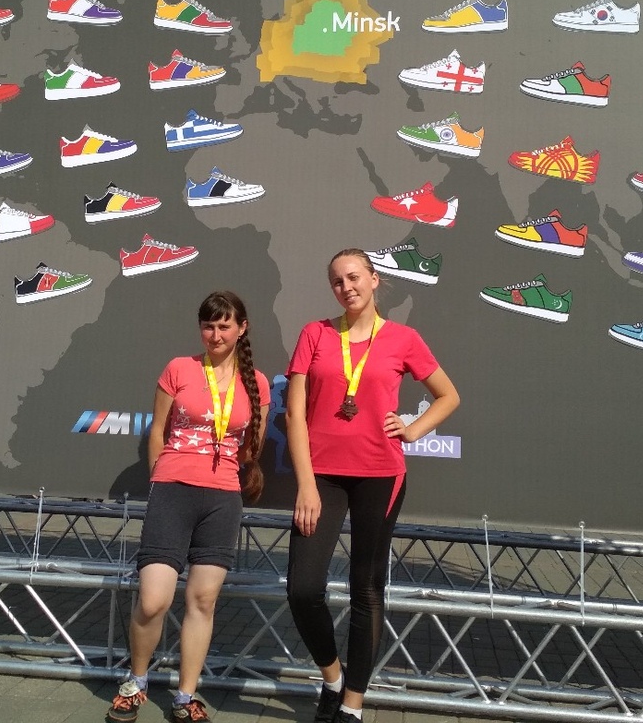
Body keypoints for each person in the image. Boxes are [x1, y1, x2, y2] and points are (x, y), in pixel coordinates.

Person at [285, 249, 460, 723]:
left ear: (375, 279)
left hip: (381, 475)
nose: (347, 287)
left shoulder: (403, 338)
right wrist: (305, 484)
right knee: (303, 589)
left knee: (366, 588)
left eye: (354, 277)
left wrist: (413, 429)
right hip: (321, 477)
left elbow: (448, 396)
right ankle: (332, 678)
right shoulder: (315, 334)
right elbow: (295, 413)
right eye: (337, 281)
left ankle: (353, 704)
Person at [108, 291, 271, 723]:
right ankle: (136, 682)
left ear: (242, 328)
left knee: (202, 601)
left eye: (224, 326)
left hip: (222, 498)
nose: (215, 335)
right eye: (208, 326)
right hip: (173, 491)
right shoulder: (179, 368)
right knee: (153, 600)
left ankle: (185, 696)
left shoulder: (257, 383)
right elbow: (157, 431)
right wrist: (160, 480)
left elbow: (251, 446)